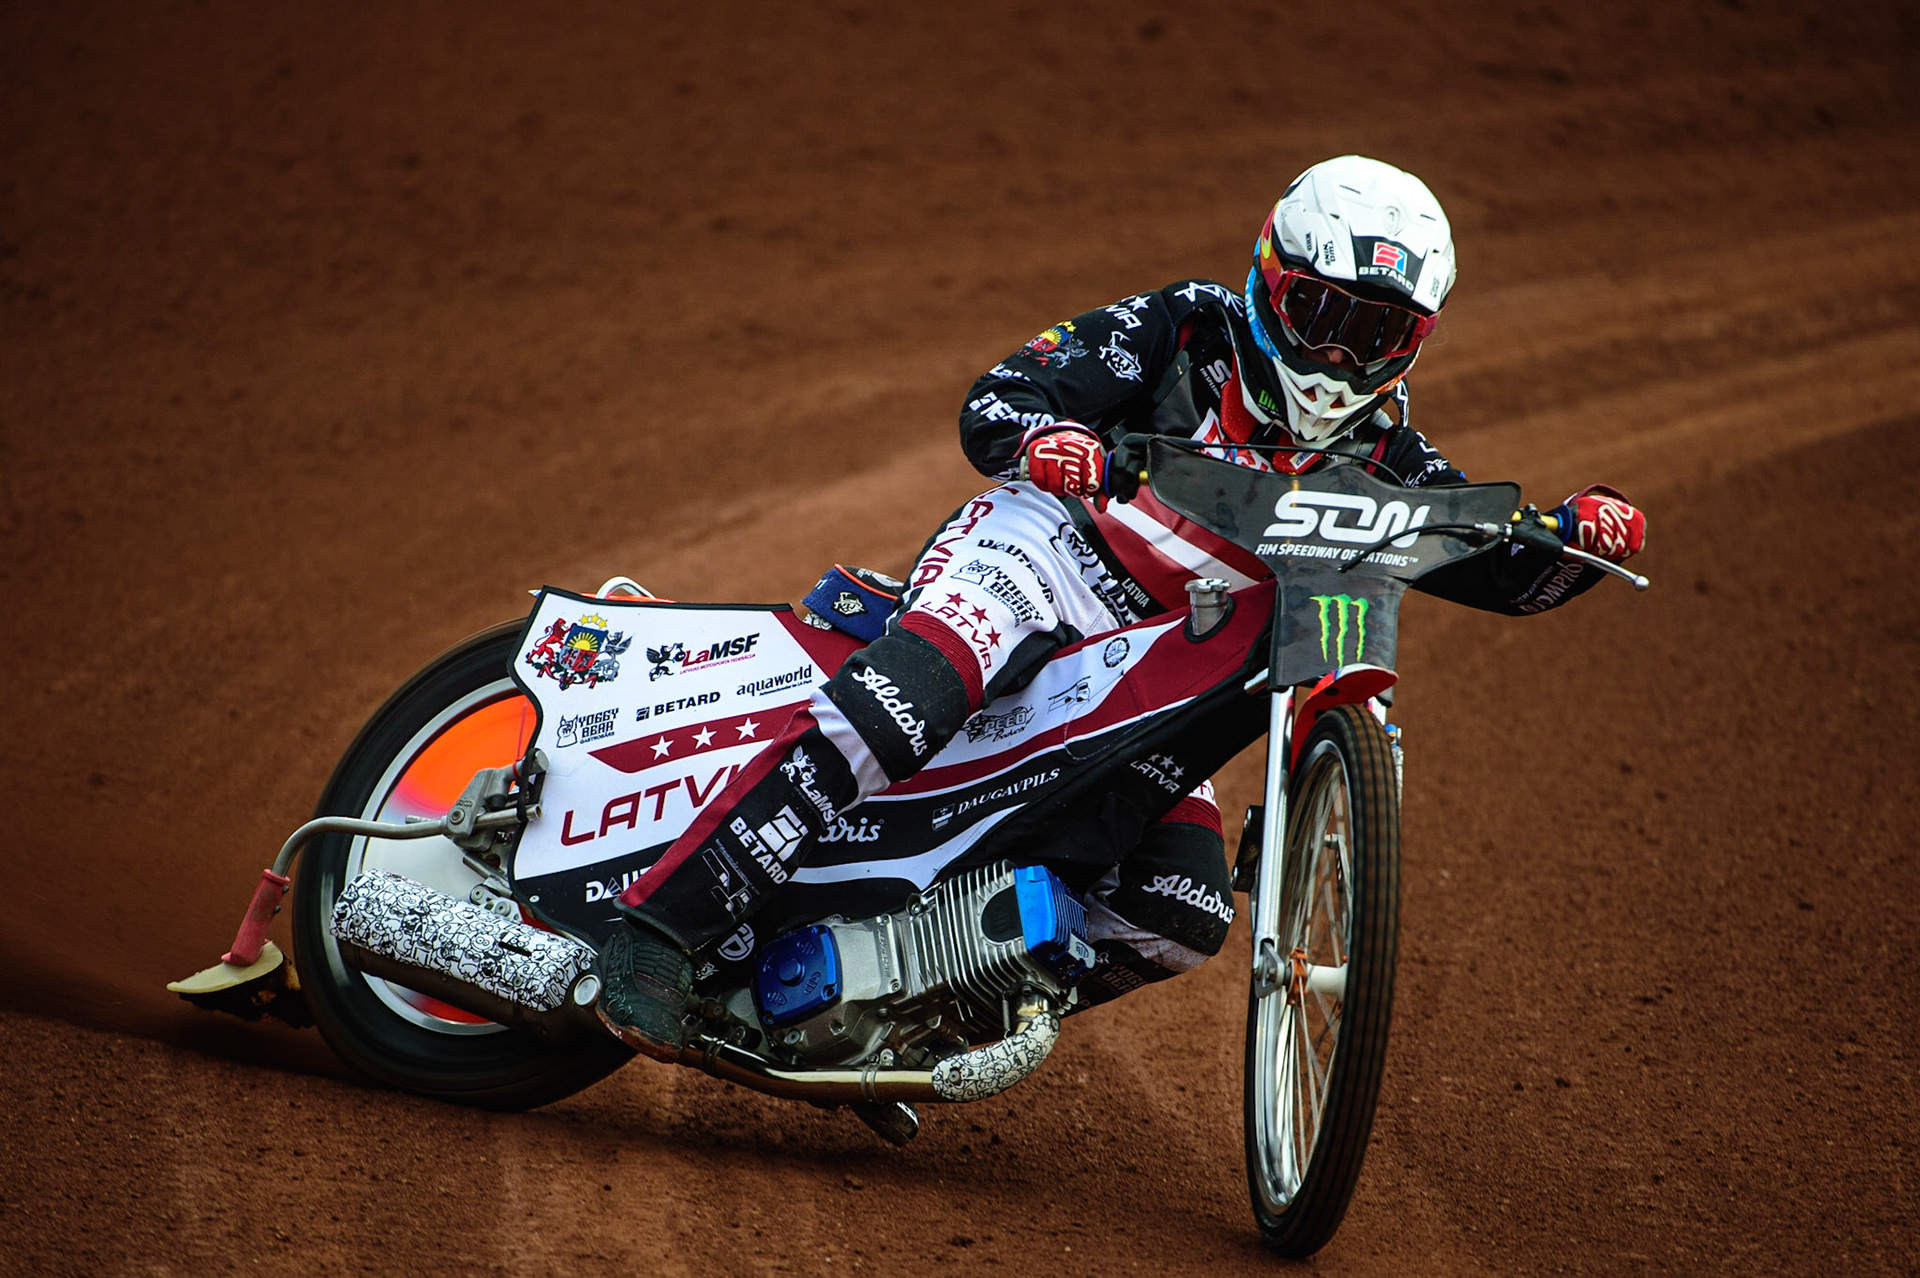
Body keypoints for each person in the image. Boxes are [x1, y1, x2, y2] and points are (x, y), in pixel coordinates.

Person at [595, 155, 1648, 1059]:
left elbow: (1495, 572)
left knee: (1181, 910)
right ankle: (661, 927)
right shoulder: (1185, 328)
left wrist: (1578, 538)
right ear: (1271, 283)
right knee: (918, 693)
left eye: (1376, 332)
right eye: (1321, 316)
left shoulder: (1387, 456)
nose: (1339, 357)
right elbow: (1000, 397)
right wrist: (1052, 443)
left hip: (1149, 668)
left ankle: (903, 1013)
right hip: (1044, 559)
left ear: (1416, 341)